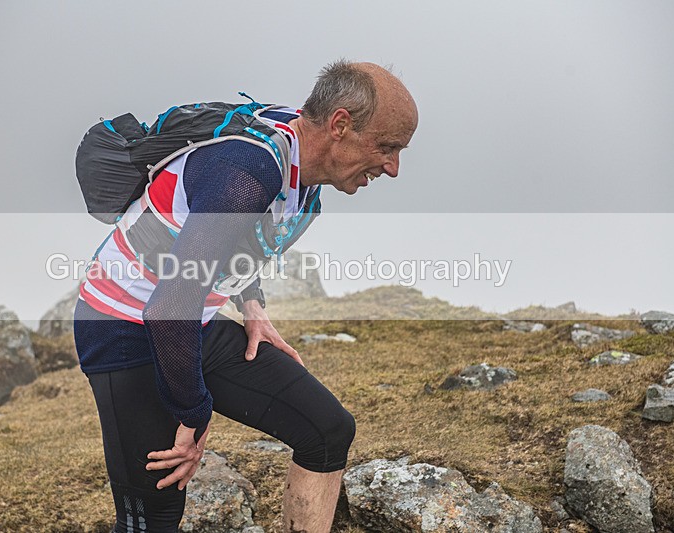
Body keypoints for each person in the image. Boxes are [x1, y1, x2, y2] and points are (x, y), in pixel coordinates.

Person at [73, 60, 418, 533]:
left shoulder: (300, 160)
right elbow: (169, 308)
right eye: (388, 147)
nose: (394, 167)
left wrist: (251, 306)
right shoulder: (250, 168)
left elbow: (232, 239)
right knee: (153, 518)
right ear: (339, 124)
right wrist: (193, 413)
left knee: (326, 431)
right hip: (124, 330)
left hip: (188, 319)